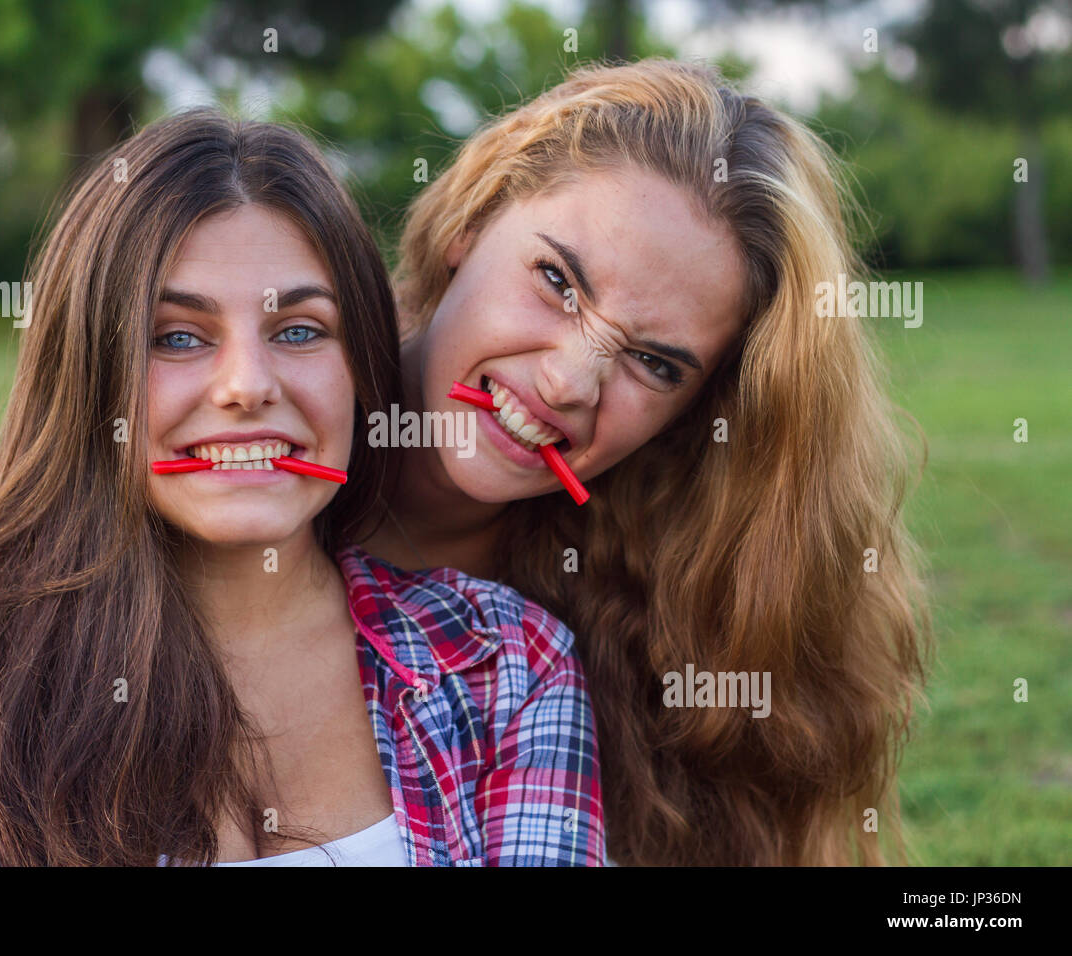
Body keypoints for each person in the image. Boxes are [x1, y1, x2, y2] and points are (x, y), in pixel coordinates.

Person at [0, 110, 604, 866]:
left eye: (300, 331)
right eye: (177, 336)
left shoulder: (506, 661)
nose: (248, 386)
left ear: (362, 369)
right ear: (87, 376)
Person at [364, 58, 934, 865]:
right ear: (470, 223)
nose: (567, 382)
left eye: (655, 364)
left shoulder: (622, 641)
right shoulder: (234, 448)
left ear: (693, 414)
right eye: (557, 281)